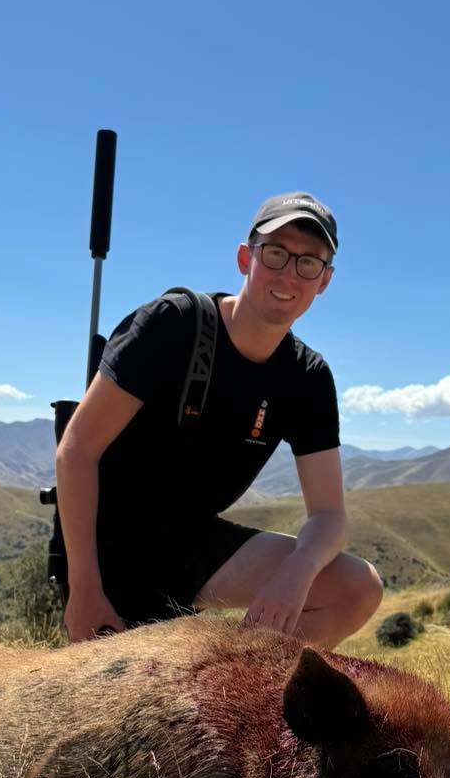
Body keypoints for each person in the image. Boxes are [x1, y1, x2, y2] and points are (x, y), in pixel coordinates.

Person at [55, 191, 383, 646]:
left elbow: (329, 515)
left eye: (309, 262)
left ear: (324, 281)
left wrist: (295, 576)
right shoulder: (174, 324)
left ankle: (244, 689)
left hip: (193, 545)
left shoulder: (306, 377)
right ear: (245, 258)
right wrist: (84, 592)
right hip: (109, 543)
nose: (289, 273)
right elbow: (77, 449)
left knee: (356, 587)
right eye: (276, 253)